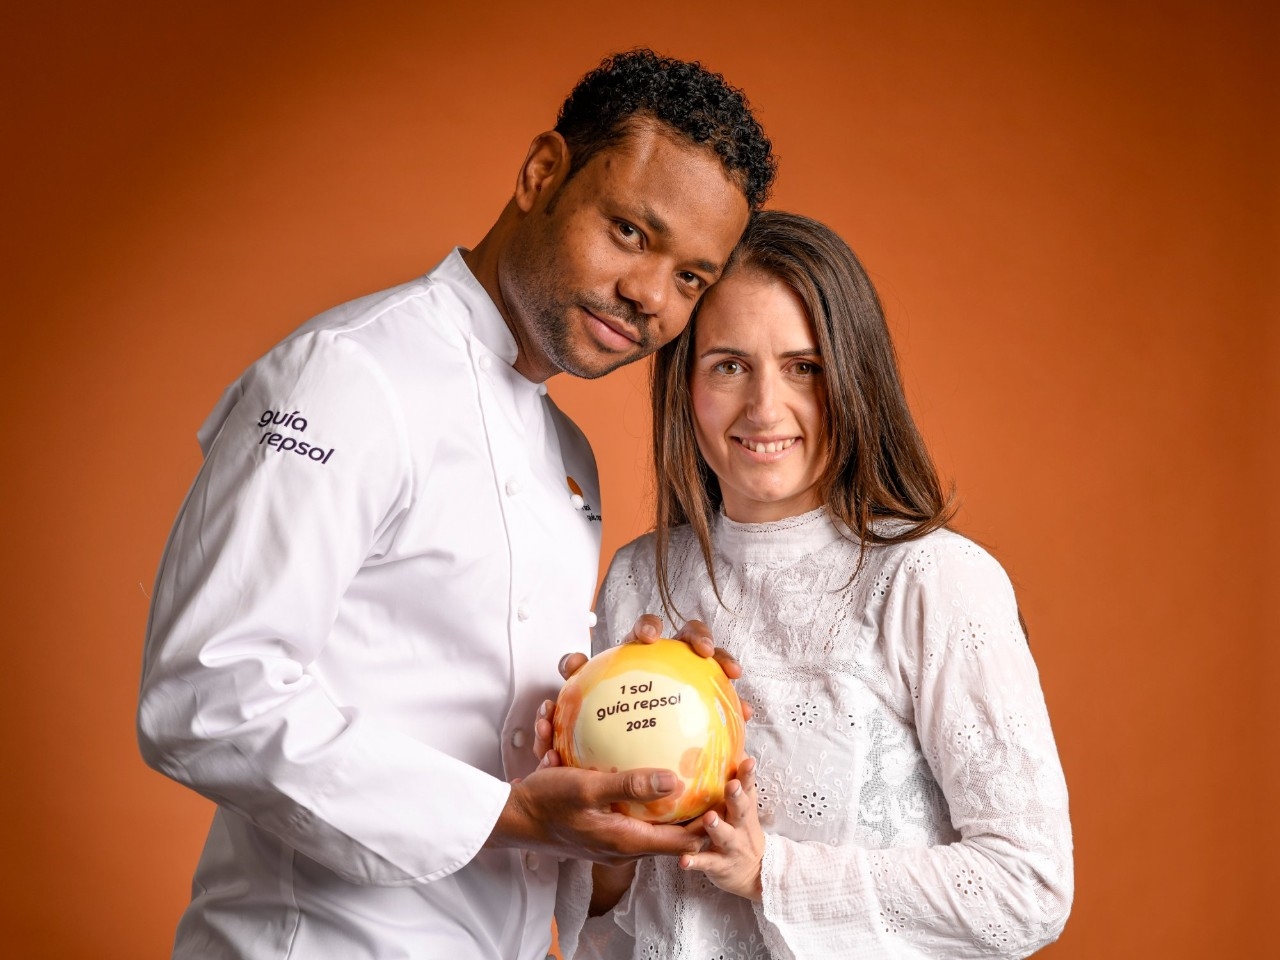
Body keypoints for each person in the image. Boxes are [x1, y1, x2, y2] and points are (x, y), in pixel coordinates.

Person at [136, 50, 775, 960]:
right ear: (541, 174)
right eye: (631, 231)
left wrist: (643, 704)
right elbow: (205, 693)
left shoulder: (569, 457)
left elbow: (497, 728)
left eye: (690, 279)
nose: (649, 297)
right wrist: (510, 811)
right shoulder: (349, 373)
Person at [547, 211, 1073, 959]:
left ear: (853, 380)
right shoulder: (639, 578)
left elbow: (1029, 889)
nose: (766, 408)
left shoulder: (930, 580)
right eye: (729, 365)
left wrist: (771, 872)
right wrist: (594, 808)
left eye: (805, 368)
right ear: (684, 383)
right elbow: (604, 925)